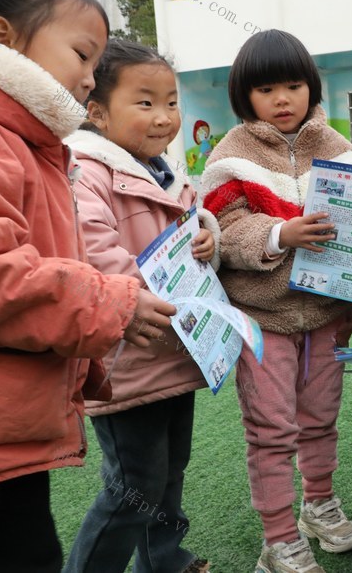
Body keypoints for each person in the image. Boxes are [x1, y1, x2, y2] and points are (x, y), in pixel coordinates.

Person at [0, 0, 176, 571]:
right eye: (83, 55)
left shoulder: (14, 138)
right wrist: (106, 302)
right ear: (3, 40)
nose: (91, 77)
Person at [200, 29, 352, 573]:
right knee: (271, 429)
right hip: (261, 318)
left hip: (325, 314)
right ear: (244, 95)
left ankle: (319, 505)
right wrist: (280, 234)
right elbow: (220, 232)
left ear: (311, 87)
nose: (282, 99)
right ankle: (278, 538)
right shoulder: (230, 156)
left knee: (320, 419)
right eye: (267, 88)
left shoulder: (338, 147)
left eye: (294, 85)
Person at [63, 39, 219, 573]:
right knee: (133, 487)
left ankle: (167, 561)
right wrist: (153, 300)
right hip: (129, 357)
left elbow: (190, 234)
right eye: (145, 102)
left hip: (173, 350)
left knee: (170, 472)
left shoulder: (164, 171)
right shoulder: (88, 171)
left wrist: (207, 239)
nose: (164, 117)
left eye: (171, 102)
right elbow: (96, 253)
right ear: (98, 111)